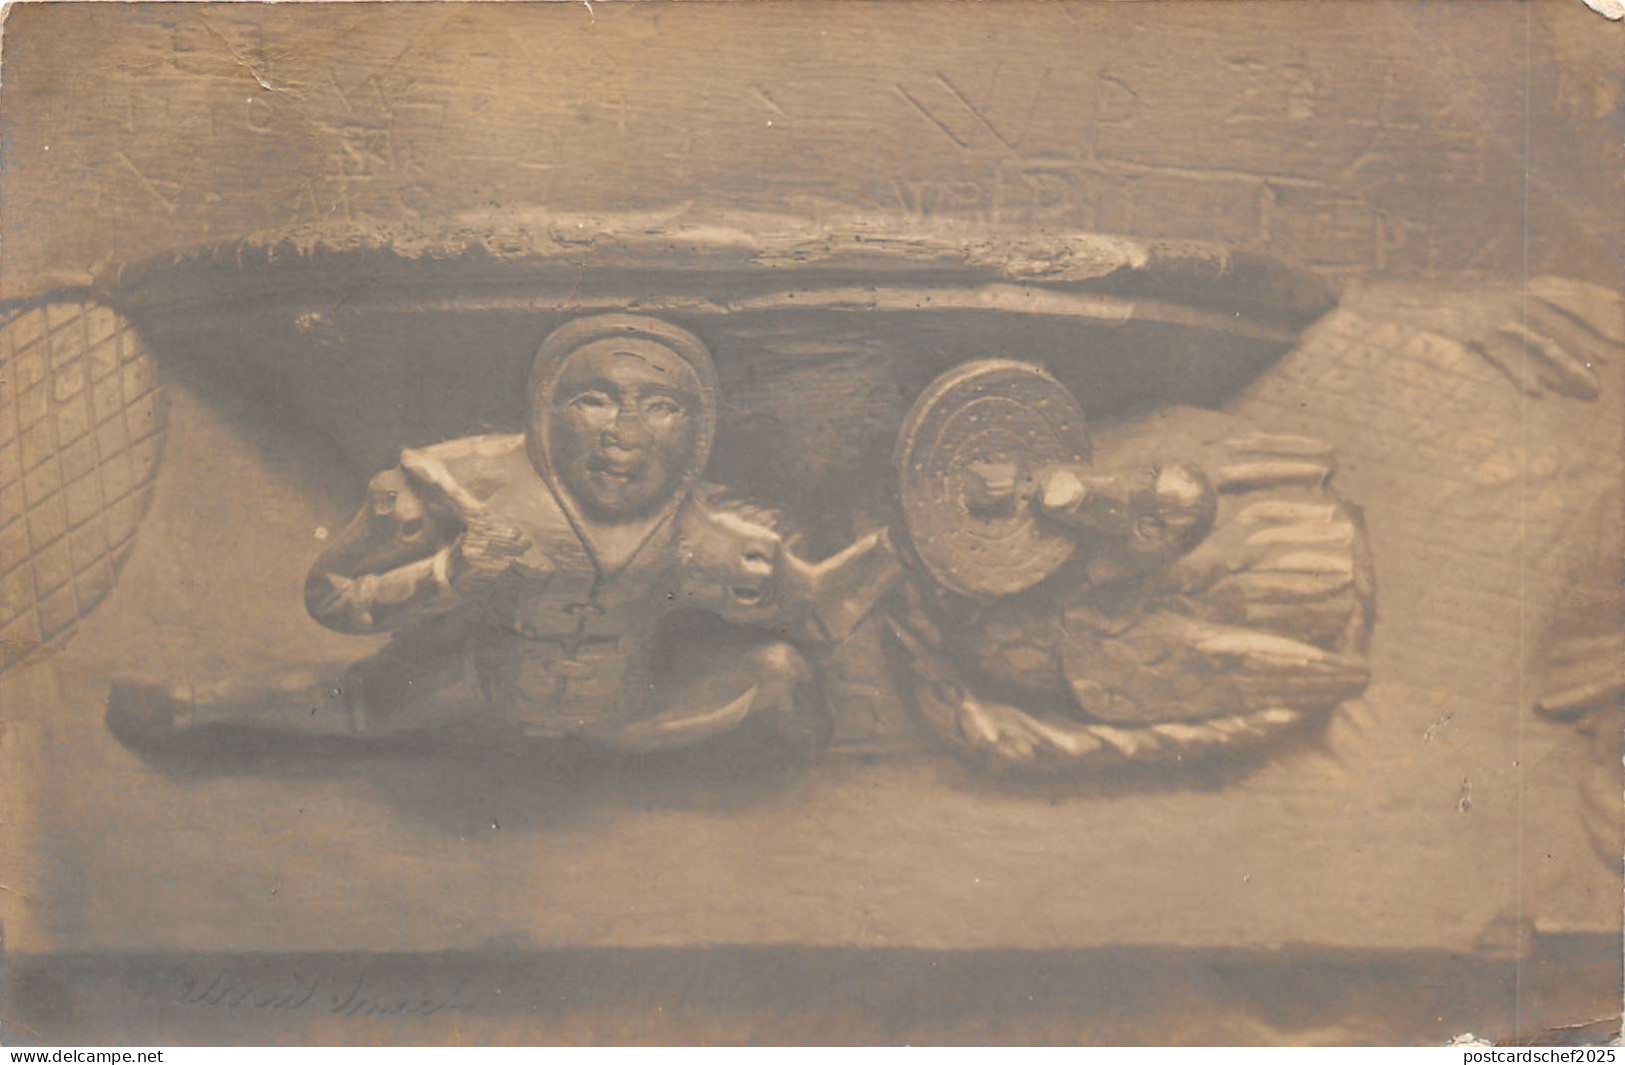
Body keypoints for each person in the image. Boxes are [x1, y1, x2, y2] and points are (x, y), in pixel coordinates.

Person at [108, 315, 898, 758]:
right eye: (595, 398)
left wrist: (870, 562)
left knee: (777, 673)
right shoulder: (456, 489)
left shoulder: (708, 533)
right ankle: (190, 704)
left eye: (661, 406)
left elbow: (813, 608)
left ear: (698, 431)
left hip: (626, 713)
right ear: (545, 409)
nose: (624, 431)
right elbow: (331, 596)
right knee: (352, 702)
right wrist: (448, 574)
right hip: (474, 690)